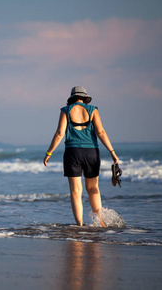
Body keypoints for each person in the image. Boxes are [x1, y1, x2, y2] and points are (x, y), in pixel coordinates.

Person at [43, 86, 119, 226]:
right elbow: (101, 132)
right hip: (92, 152)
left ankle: (80, 225)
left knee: (76, 191)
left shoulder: (66, 110)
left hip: (73, 153)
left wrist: (49, 152)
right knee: (93, 188)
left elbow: (60, 133)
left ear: (72, 97)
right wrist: (112, 152)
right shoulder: (93, 110)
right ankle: (101, 223)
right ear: (84, 97)